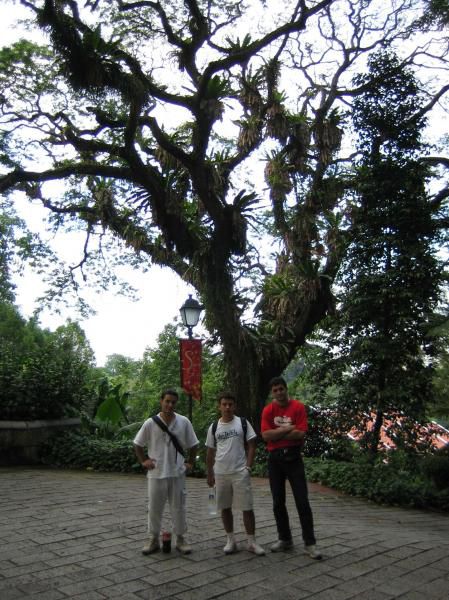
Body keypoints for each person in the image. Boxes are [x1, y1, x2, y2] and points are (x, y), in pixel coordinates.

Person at [261, 376, 322, 560]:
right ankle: (285, 538)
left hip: (294, 458)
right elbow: (266, 435)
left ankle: (310, 543)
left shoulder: (298, 407)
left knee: (302, 501)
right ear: (272, 393)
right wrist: (287, 430)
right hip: (275, 460)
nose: (279, 393)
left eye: (281, 389)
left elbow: (300, 433)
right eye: (275, 390)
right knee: (278, 501)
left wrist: (276, 434)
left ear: (286, 389)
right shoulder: (268, 410)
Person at [134, 388, 199, 555]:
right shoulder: (150, 423)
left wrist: (190, 463)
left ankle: (181, 539)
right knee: (154, 508)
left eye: (173, 402)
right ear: (161, 401)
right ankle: (153, 539)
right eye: (167, 401)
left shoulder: (184, 422)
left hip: (177, 472)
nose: (170, 405)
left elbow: (194, 444)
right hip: (156, 473)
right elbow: (137, 444)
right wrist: (144, 461)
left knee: (179, 507)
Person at [206, 392, 265, 556]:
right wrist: (209, 474)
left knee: (247, 507)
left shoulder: (243, 423)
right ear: (219, 406)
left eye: (230, 404)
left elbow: (252, 445)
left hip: (240, 472)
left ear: (235, 406)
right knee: (224, 507)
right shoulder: (214, 427)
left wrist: (248, 467)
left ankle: (252, 542)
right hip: (221, 473)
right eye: (224, 404)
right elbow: (210, 452)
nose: (227, 407)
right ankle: (230, 540)